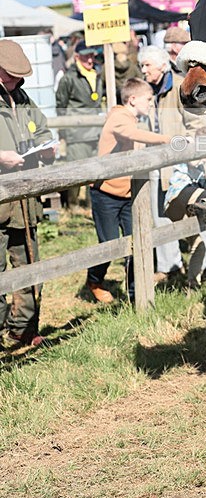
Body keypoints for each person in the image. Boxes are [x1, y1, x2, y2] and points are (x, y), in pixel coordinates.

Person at [138, 46, 206, 287]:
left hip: (182, 163)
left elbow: (197, 122)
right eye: (141, 66)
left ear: (161, 65)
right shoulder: (147, 92)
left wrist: (191, 151)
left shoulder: (182, 87)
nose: (143, 70)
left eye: (147, 65)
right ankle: (169, 266)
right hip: (155, 162)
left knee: (196, 216)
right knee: (161, 216)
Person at [85, 78, 172, 303]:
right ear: (132, 100)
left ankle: (137, 295)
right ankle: (94, 280)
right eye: (148, 100)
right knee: (110, 244)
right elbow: (131, 135)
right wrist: (166, 139)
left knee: (139, 241)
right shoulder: (119, 118)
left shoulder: (132, 119)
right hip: (106, 193)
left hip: (127, 194)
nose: (151, 104)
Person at [0, 40, 56, 347]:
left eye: (16, 75)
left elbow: (42, 129)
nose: (13, 80)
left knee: (29, 263)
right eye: (8, 73)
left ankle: (24, 328)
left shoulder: (21, 98)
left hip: (24, 198)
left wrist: (47, 148)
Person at [55, 40, 104, 211]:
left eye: (92, 56)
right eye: (86, 56)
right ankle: (73, 205)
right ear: (77, 57)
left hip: (96, 130)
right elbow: (60, 104)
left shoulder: (98, 73)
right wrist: (64, 130)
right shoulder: (69, 78)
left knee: (95, 170)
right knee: (76, 170)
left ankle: (91, 205)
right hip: (76, 131)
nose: (90, 60)